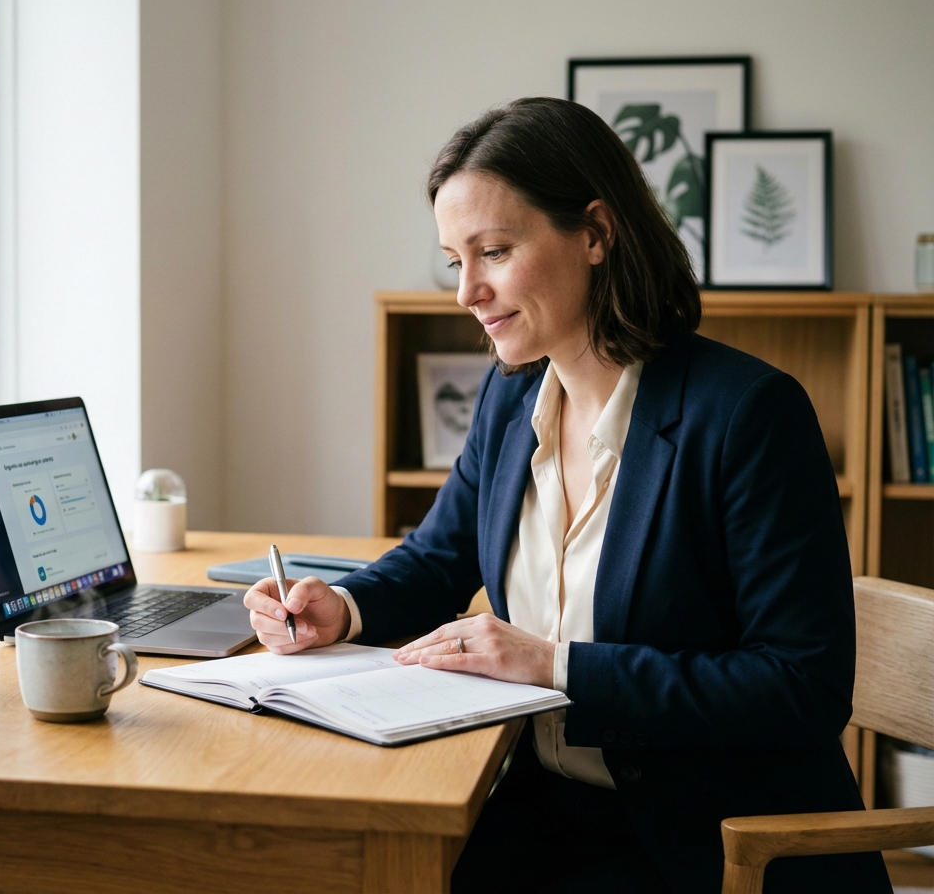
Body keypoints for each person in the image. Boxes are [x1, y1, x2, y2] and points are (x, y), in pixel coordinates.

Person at [242, 97, 890, 894]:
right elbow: (438, 558)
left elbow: (800, 688)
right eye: (455, 261)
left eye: (495, 251)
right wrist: (340, 608)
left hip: (706, 844)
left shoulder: (748, 415)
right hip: (536, 810)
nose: (467, 293)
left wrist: (558, 667)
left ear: (594, 233)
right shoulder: (511, 399)